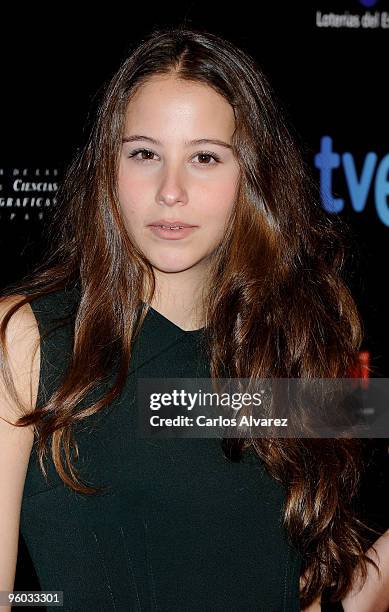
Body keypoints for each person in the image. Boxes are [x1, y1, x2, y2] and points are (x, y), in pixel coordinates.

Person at [0, 25, 386, 612]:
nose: (170, 190)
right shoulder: (27, 338)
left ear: (252, 177)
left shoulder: (302, 347)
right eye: (145, 154)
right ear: (109, 168)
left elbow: (303, 585)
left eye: (204, 157)